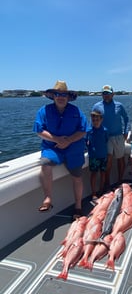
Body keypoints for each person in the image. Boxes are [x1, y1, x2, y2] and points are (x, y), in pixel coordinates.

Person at [33, 80, 87, 220]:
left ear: (68, 97)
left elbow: (83, 130)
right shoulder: (43, 111)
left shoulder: (76, 111)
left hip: (74, 148)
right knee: (45, 164)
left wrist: (68, 140)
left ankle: (78, 206)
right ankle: (48, 198)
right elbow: (39, 131)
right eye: (58, 94)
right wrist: (58, 140)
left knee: (77, 177)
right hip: (53, 147)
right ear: (53, 96)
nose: (61, 97)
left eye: (64, 94)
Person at [92, 85, 129, 189]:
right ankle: (106, 183)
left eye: (108, 93)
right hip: (105, 137)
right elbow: (93, 122)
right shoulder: (96, 106)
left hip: (118, 136)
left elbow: (126, 118)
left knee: (120, 159)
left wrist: (125, 131)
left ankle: (120, 181)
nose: (106, 95)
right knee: (108, 160)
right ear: (101, 95)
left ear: (113, 94)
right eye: (104, 93)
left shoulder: (119, 105)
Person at [86, 108, 109, 200]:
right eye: (93, 120)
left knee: (103, 173)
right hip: (93, 157)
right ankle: (94, 192)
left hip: (103, 155)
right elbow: (85, 142)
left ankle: (101, 190)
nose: (95, 122)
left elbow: (106, 140)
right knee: (94, 174)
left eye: (97, 120)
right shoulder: (89, 131)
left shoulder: (105, 130)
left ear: (101, 119)